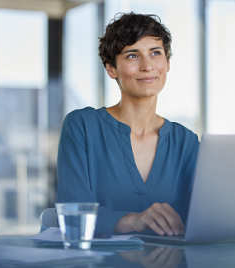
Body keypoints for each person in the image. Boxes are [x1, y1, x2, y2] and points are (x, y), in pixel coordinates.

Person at [56, 12, 199, 236]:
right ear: (111, 69)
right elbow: (73, 211)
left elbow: (203, 217)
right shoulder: (82, 126)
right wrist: (135, 220)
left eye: (155, 53)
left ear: (167, 63)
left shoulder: (187, 142)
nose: (147, 66)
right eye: (133, 56)